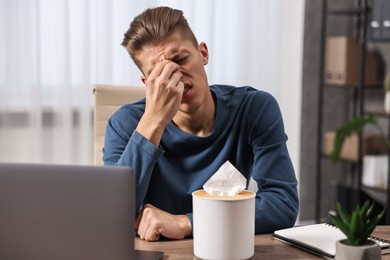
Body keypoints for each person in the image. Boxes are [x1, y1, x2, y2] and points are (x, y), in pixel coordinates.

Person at [104, 6, 299, 241]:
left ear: (203, 53)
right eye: (159, 73)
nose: (174, 77)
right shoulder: (124, 123)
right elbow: (111, 216)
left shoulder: (254, 109)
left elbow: (283, 203)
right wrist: (153, 121)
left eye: (180, 59)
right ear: (147, 83)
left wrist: (186, 222)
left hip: (225, 249)